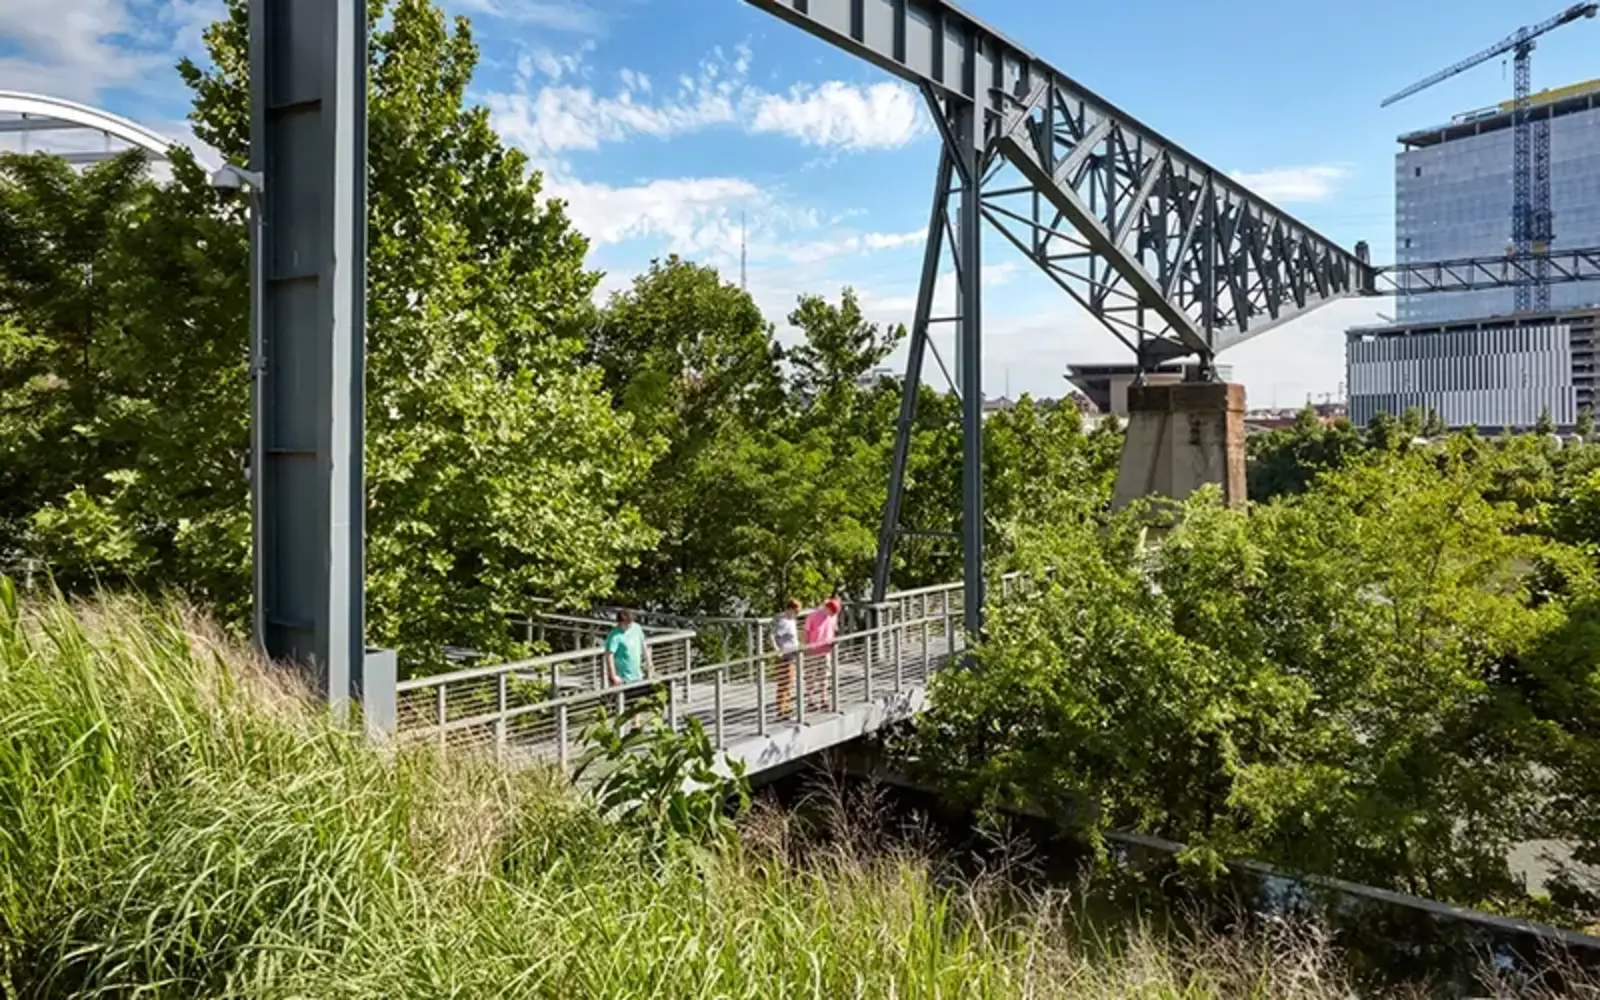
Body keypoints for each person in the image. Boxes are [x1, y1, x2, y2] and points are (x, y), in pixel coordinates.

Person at [801, 595, 842, 713]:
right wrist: (804, 648)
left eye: (835, 613)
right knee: (811, 676)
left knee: (824, 676)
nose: (832, 614)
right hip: (812, 650)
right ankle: (810, 700)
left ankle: (824, 699)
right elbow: (806, 632)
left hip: (826, 650)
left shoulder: (833, 617)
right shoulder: (813, 616)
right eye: (832, 612)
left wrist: (834, 642)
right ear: (827, 608)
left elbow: (834, 630)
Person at [771, 598, 802, 719]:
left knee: (790, 682)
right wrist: (776, 650)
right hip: (785, 656)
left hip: (792, 655)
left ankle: (786, 707)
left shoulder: (792, 620)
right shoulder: (783, 621)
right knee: (785, 682)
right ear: (790, 609)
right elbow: (772, 635)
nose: (798, 613)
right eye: (796, 611)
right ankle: (781, 710)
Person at [604, 609, 649, 687]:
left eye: (631, 622)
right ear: (620, 622)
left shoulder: (637, 628)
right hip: (623, 678)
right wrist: (613, 676)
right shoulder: (614, 635)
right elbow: (609, 656)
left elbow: (644, 645)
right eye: (627, 623)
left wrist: (649, 663)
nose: (630, 625)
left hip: (638, 675)